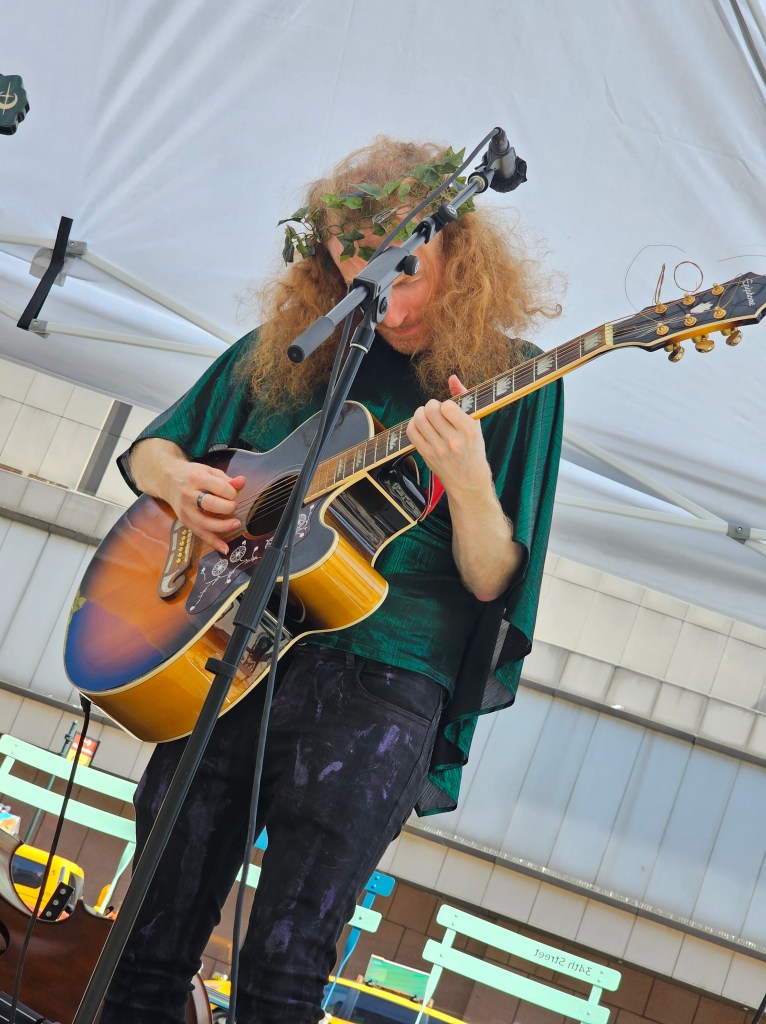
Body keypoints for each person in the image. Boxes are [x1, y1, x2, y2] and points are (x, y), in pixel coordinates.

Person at [99, 136, 564, 1024]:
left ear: (456, 254)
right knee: (144, 943)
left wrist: (468, 482)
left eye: (404, 269)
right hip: (228, 648)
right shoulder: (289, 352)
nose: (387, 299)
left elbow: (494, 581)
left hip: (384, 679)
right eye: (359, 272)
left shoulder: (512, 378)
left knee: (285, 969)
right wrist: (179, 482)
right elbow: (154, 447)